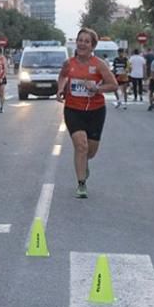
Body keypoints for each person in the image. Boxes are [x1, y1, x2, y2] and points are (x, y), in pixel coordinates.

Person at [56, 28, 118, 198]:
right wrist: (60, 89)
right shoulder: (69, 63)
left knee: (90, 151)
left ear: (92, 46)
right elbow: (62, 77)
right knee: (80, 145)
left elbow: (113, 85)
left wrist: (97, 88)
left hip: (95, 111)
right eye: (80, 40)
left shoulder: (99, 65)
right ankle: (81, 183)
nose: (82, 44)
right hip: (73, 109)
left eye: (86, 41)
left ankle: (84, 165)